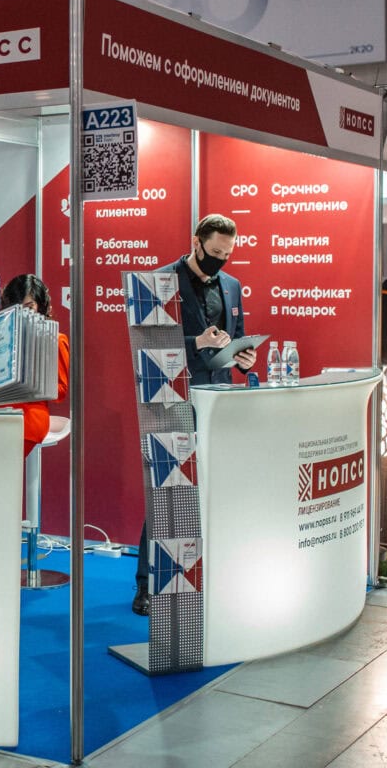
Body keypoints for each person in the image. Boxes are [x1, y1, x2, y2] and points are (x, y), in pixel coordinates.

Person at [132, 213, 257, 616]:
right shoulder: (160, 281)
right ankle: (147, 584)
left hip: (218, 398)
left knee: (209, 492)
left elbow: (237, 336)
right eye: (215, 252)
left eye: (227, 254)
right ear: (196, 243)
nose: (221, 260)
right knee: (167, 492)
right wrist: (196, 341)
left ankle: (203, 578)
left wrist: (244, 358)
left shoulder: (232, 285)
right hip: (171, 397)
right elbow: (148, 340)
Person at [0, 275, 70, 456]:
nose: (23, 313)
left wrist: (29, 382)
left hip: (28, 417)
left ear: (41, 306)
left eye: (29, 306)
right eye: (16, 307)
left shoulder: (54, 340)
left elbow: (60, 391)